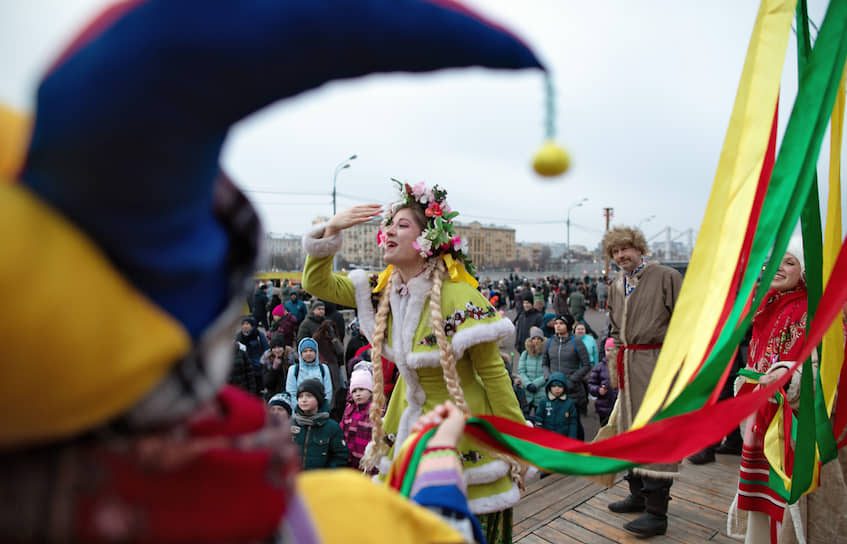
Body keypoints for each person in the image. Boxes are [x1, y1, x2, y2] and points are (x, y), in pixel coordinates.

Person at [301, 181, 525, 542]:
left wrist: (517, 445)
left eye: (402, 225)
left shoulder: (459, 295)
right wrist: (330, 230)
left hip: (461, 433)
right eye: (388, 224)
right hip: (405, 428)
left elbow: (495, 376)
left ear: (427, 241)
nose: (388, 230)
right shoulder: (383, 293)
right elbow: (316, 282)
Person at [730, 243, 847, 544]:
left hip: (796, 425)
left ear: (805, 271)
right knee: (764, 498)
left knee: (792, 505)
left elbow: (826, 363)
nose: (778, 267)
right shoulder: (768, 305)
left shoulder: (815, 309)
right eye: (774, 261)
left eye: (790, 262)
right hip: (766, 418)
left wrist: (789, 379)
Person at [603, 226, 682, 538]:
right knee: (628, 430)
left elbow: (684, 320)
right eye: (615, 252)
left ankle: (657, 512)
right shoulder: (615, 284)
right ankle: (637, 494)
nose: (621, 256)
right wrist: (612, 351)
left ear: (639, 248)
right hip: (626, 363)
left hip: (655, 363)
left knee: (655, 434)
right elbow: (612, 327)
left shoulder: (665, 276)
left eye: (625, 249)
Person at [542, 315, 591, 438]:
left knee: (574, 425)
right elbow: (544, 364)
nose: (557, 326)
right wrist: (549, 379)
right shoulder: (549, 342)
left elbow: (586, 365)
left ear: (567, 326)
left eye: (561, 323)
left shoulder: (576, 342)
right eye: (556, 323)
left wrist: (571, 381)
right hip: (553, 390)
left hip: (572, 391)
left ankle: (579, 450)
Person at [291, 379, 349, 471]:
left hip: (320, 481)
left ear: (319, 399)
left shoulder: (332, 427)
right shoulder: (290, 424)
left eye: (309, 396)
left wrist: (327, 476)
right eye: (300, 396)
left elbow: (340, 456)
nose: (304, 400)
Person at [342, 366, 375, 469]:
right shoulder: (349, 410)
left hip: (368, 461)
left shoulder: (376, 411)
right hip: (350, 460)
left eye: (361, 389)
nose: (358, 394)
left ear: (370, 391)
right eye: (354, 391)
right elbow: (342, 431)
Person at [285, 337, 333, 408]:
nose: (308, 353)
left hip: (320, 412)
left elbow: (328, 392)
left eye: (311, 350)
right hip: (299, 413)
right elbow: (291, 393)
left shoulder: (323, 368)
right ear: (300, 353)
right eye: (305, 351)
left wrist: (321, 408)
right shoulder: (293, 370)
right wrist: (300, 409)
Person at [532, 372, 579, 439]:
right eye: (553, 386)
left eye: (560, 386)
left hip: (564, 438)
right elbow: (538, 419)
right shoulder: (543, 402)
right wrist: (540, 436)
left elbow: (573, 422)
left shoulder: (569, 403)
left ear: (564, 387)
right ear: (549, 387)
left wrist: (572, 438)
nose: (557, 389)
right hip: (547, 438)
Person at [587, 337, 618, 426]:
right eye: (608, 350)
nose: (610, 353)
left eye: (613, 350)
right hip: (604, 407)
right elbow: (591, 384)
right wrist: (598, 390)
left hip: (619, 407)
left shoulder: (622, 365)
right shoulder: (599, 367)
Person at [518, 326, 547, 415]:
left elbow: (548, 372)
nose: (536, 341)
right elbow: (521, 371)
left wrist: (536, 384)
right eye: (534, 338)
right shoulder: (525, 354)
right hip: (527, 392)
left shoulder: (546, 354)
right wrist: (528, 384)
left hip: (541, 390)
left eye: (539, 339)